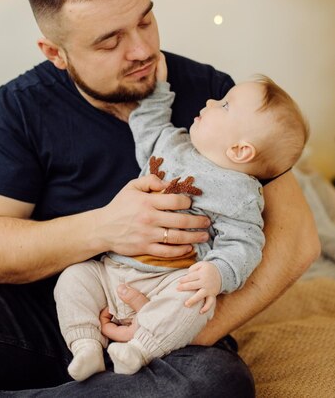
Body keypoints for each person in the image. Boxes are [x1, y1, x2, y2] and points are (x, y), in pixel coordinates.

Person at [0, 0, 319, 398]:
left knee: (214, 383)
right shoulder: (21, 106)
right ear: (56, 53)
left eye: (145, 19)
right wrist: (106, 228)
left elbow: (299, 239)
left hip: (167, 327)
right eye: (110, 40)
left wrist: (184, 331)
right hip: (54, 310)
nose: (142, 49)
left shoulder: (218, 99)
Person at [55, 53, 309, 380]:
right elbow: (149, 126)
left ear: (240, 150)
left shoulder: (240, 193)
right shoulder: (174, 142)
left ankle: (139, 348)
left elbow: (245, 245)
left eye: (225, 105)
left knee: (196, 302)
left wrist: (217, 274)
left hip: (169, 281)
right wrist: (159, 90)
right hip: (112, 269)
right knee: (74, 277)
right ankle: (85, 345)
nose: (210, 101)